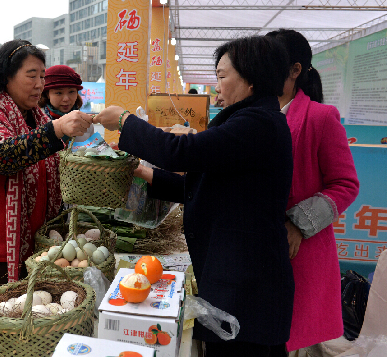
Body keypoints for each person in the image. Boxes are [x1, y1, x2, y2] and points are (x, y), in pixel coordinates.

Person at [94, 36, 294, 357]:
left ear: (251, 79)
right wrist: (147, 174)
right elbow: (201, 187)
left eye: (221, 76)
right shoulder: (249, 120)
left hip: (248, 286)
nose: (216, 87)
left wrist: (124, 121)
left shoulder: (257, 125)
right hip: (238, 276)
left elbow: (179, 152)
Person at [0, 39, 92, 307]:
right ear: (6, 76)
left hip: (28, 249)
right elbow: (3, 157)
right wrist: (57, 130)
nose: (39, 84)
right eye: (31, 75)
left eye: (43, 77)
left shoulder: (36, 116)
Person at [265, 29, 360, 353]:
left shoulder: (321, 118)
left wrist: (299, 224)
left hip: (299, 251)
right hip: (258, 247)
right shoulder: (256, 114)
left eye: (271, 60)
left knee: (289, 340)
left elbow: (346, 184)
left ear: (295, 70)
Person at [39, 65, 93, 143]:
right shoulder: (36, 120)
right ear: (47, 94)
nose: (66, 99)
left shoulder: (86, 123)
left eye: (71, 92)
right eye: (59, 93)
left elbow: (92, 152)